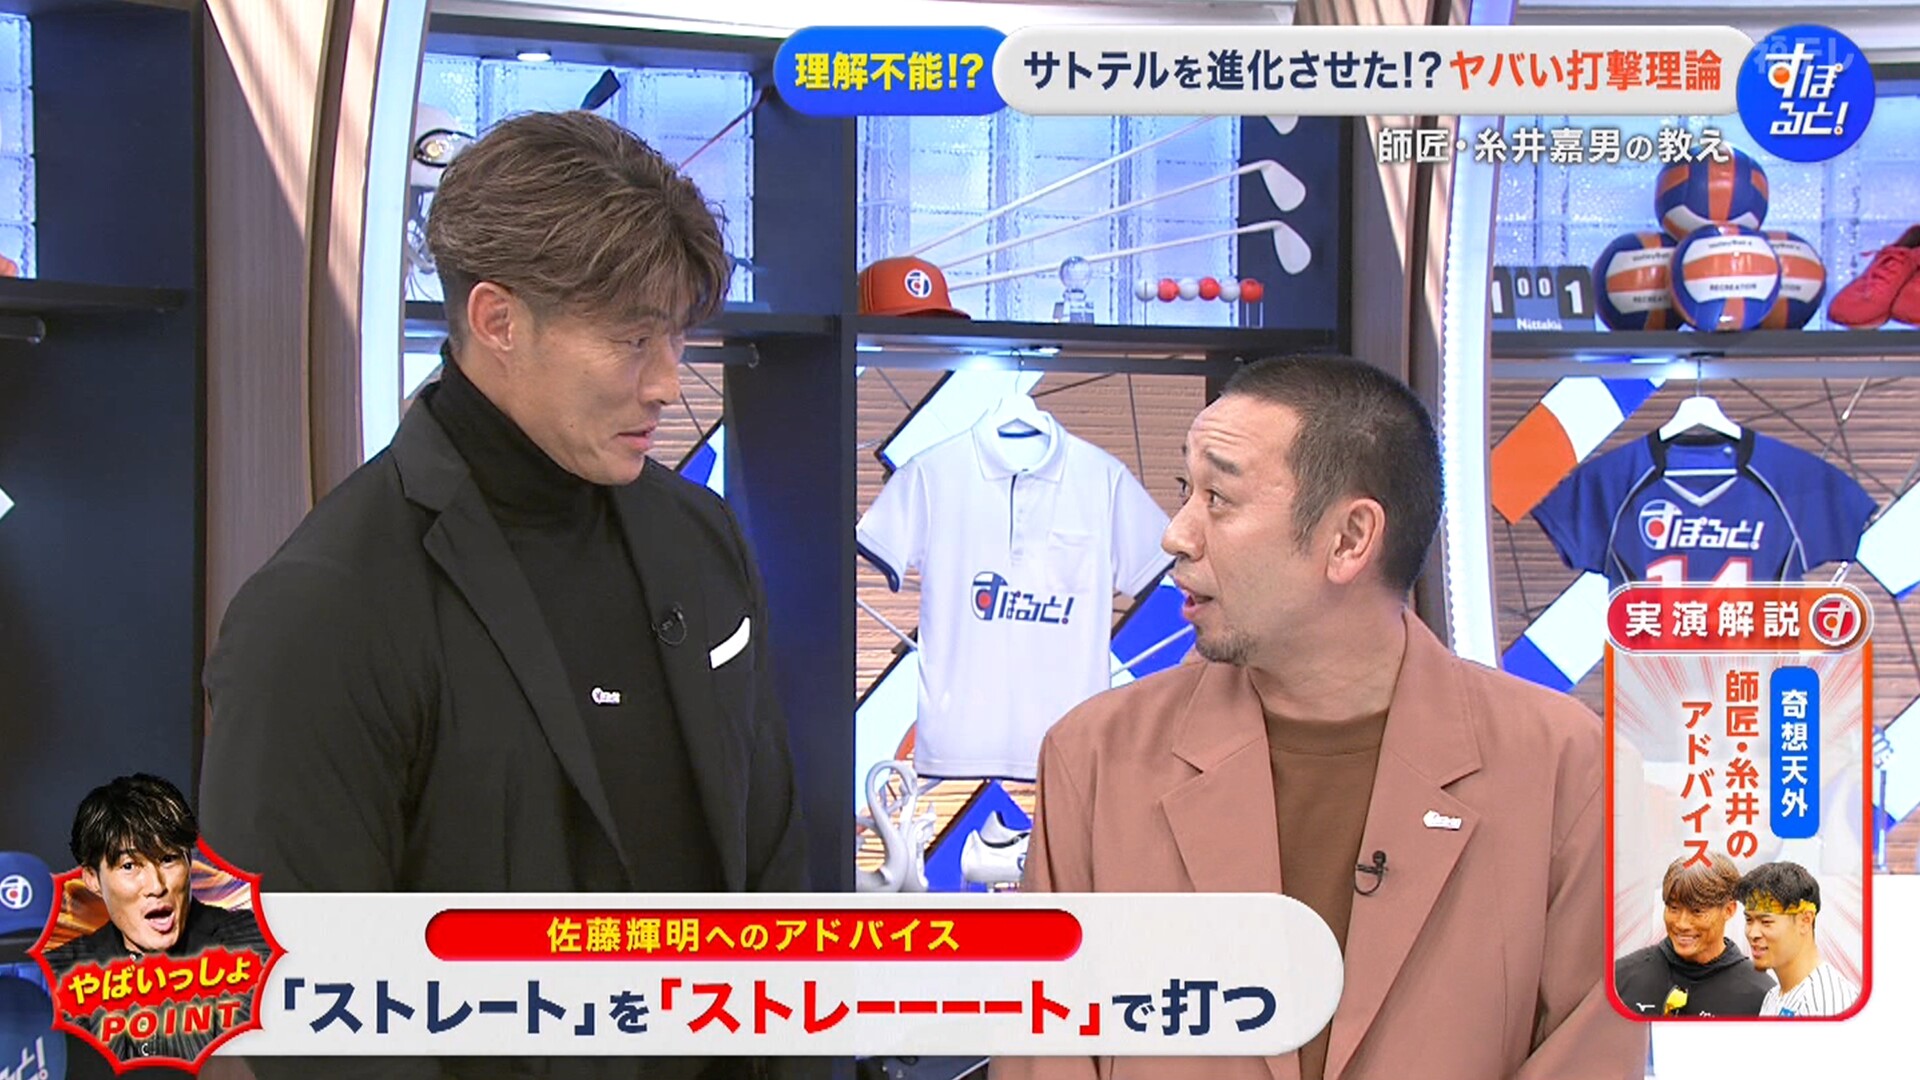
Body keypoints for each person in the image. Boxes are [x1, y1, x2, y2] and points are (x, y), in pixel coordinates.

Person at [198, 111, 813, 1079]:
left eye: (678, 337)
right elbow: (307, 1000)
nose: (669, 383)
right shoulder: (325, 607)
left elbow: (772, 865)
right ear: (498, 322)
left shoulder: (700, 536)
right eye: (632, 339)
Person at [991, 356, 1646, 1080]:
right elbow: (1045, 1052)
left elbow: (1591, 1056)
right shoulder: (1096, 756)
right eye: (1186, 491)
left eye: (1219, 498)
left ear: (1349, 539)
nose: (1176, 534)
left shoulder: (1566, 768)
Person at [44, 775, 269, 1067]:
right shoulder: (60, 975)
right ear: (92, 879)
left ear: (189, 860)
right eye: (129, 866)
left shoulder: (252, 945)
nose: (156, 886)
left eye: (168, 859)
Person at [1614, 853, 1771, 1017]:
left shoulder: (1762, 996)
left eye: (1697, 911)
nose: (1682, 924)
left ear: (1729, 910)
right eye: (1674, 908)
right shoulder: (1620, 977)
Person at [1739, 861, 1861, 1017]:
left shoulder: (1826, 1003)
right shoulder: (1773, 996)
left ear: (1805, 921)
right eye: (1749, 920)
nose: (1752, 933)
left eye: (1766, 922)